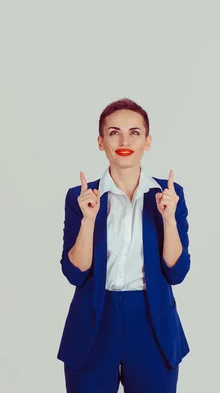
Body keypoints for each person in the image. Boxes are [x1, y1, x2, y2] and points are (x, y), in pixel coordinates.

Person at [57, 98, 191, 393]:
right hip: (93, 322)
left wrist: (169, 219)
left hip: (152, 323)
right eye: (114, 132)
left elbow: (177, 272)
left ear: (148, 141)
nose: (124, 140)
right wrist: (88, 219)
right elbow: (75, 273)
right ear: (101, 142)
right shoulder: (80, 197)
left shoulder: (168, 195)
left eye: (135, 132)